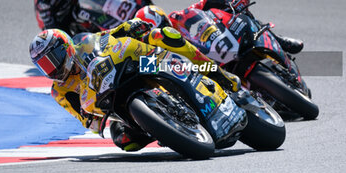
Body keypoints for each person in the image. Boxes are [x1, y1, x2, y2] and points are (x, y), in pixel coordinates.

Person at [29, 19, 241, 152]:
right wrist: (95, 121)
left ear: (65, 47)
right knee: (124, 141)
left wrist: (130, 26)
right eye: (44, 66)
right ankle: (164, 128)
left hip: (134, 66)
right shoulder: (60, 91)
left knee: (165, 36)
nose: (52, 69)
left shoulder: (83, 43)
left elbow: (109, 35)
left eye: (52, 60)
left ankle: (218, 74)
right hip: (112, 103)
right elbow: (84, 118)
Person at [166, 0, 304, 54]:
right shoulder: (159, 49)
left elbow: (206, 1)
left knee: (238, 12)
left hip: (220, 38)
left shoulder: (178, 18)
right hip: (206, 59)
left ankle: (278, 40)